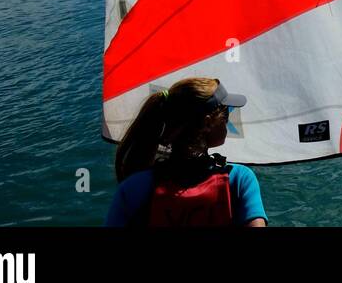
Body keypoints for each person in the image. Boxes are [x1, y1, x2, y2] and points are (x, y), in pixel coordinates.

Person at [105, 77, 267, 227]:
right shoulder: (239, 179)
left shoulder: (133, 188)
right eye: (226, 113)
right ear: (208, 123)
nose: (228, 119)